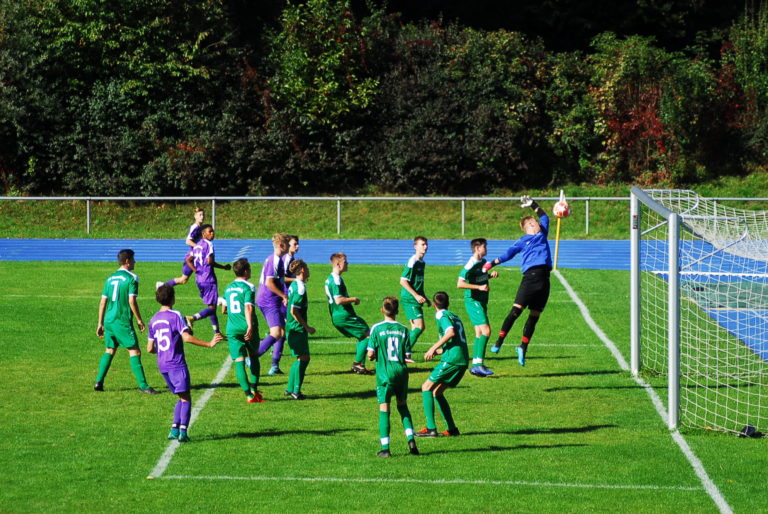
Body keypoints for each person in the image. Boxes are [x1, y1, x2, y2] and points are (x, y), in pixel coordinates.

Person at [147, 284, 222, 442]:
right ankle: (183, 433)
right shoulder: (176, 315)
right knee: (186, 397)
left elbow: (149, 348)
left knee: (180, 396)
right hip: (176, 363)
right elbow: (186, 338)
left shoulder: (153, 319)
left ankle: (174, 430)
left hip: (162, 365)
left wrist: (163, 350)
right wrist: (209, 344)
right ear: (173, 298)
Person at [483, 195, 553, 366]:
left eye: (536, 221)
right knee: (516, 312)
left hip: (545, 280)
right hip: (530, 278)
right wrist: (491, 263)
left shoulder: (543, 233)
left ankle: (523, 347)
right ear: (528, 226)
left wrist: (533, 204)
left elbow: (545, 217)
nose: (536, 223)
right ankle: (499, 341)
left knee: (534, 316)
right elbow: (508, 255)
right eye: (533, 222)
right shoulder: (522, 241)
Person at [95, 249, 159, 394]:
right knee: (134, 351)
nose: (135, 262)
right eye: (133, 259)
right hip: (122, 321)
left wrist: (100, 323)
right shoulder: (132, 278)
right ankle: (143, 386)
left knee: (110, 350)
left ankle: (99, 382)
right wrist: (139, 320)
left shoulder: (110, 278)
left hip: (109, 320)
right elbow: (131, 301)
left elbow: (103, 302)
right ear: (127, 261)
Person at [367, 297, 419, 457]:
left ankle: (385, 448)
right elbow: (407, 356)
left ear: (382, 310)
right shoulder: (404, 329)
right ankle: (411, 440)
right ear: (397, 311)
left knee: (385, 409)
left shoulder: (376, 328)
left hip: (385, 374)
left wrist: (374, 355)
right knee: (402, 406)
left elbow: (370, 354)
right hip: (401, 372)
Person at [415, 291, 468, 437]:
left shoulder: (441, 315)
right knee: (437, 392)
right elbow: (457, 340)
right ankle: (452, 429)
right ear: (448, 303)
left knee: (426, 387)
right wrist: (441, 351)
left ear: (434, 305)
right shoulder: (454, 316)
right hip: (461, 359)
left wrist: (432, 348)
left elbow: (451, 333)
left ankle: (431, 428)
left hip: (452, 360)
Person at [223, 258, 264, 403]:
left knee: (239, 360)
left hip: (232, 328)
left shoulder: (228, 288)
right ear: (246, 271)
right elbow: (248, 307)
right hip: (247, 326)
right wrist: (250, 325)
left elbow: (223, 309)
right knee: (253, 356)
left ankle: (248, 395)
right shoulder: (249, 287)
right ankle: (254, 390)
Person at [324, 252, 373, 375]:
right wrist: (353, 299)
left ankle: (359, 365)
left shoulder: (329, 279)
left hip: (338, 315)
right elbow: (338, 300)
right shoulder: (336, 280)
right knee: (367, 335)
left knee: (362, 336)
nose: (347, 264)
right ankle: (358, 363)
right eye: (345, 262)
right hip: (344, 315)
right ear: (337, 264)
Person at [457, 238, 499, 377]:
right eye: (484, 247)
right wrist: (479, 287)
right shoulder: (471, 264)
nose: (486, 249)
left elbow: (479, 277)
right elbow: (460, 283)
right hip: (473, 301)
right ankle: (479, 364)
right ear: (477, 248)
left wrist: (490, 276)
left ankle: (476, 365)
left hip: (481, 301)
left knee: (479, 333)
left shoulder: (483, 262)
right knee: (486, 331)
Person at [185, 224, 231, 337]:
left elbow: (188, 260)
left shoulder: (197, 245)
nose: (212, 233)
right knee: (212, 308)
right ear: (203, 234)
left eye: (213, 231)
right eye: (210, 231)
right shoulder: (209, 244)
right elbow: (210, 262)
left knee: (211, 306)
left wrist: (196, 270)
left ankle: (217, 333)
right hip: (209, 279)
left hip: (199, 279)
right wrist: (223, 267)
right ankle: (192, 318)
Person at [256, 233, 290, 376]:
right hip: (268, 300)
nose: (289, 246)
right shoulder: (274, 260)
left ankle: (275, 366)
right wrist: (283, 295)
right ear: (281, 245)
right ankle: (252, 357)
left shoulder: (279, 260)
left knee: (281, 333)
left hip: (273, 299)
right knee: (276, 333)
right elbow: (269, 283)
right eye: (288, 244)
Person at [284, 259, 316, 400]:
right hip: (297, 328)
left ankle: (289, 388)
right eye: (307, 268)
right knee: (304, 358)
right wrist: (307, 327)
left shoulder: (294, 284)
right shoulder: (300, 288)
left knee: (299, 358)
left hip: (292, 327)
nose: (308, 270)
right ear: (302, 270)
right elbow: (294, 311)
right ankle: (296, 391)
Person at [157, 207, 205, 290]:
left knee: (203, 275)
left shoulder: (201, 227)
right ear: (195, 216)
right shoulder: (195, 227)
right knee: (183, 280)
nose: (202, 217)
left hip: (197, 256)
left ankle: (209, 294)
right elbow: (188, 241)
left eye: (203, 215)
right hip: (192, 257)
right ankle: (163, 286)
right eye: (200, 215)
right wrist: (199, 248)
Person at [400, 236, 429, 362]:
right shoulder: (413, 261)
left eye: (426, 244)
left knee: (414, 328)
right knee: (420, 327)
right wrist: (416, 295)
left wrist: (424, 296)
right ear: (415, 246)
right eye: (422, 244)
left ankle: (406, 356)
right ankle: (401, 352)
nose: (425, 247)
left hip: (415, 298)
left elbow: (418, 282)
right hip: (409, 298)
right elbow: (403, 281)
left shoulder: (422, 262)